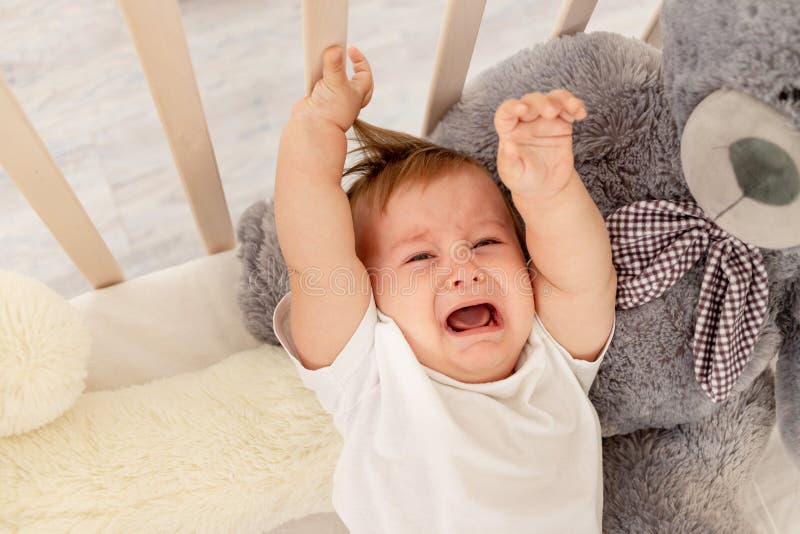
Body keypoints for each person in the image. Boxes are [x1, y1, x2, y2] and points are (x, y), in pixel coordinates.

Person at [272, 44, 617, 533]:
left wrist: (550, 191)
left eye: (486, 241)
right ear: (369, 293)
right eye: (420, 257)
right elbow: (315, 252)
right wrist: (318, 128)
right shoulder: (371, 369)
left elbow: (583, 273)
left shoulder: (550, 357)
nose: (464, 267)